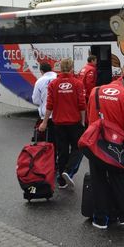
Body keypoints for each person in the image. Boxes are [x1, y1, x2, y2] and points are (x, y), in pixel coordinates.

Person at [86, 77, 124, 230]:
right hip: (116, 142)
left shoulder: (95, 91)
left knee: (98, 179)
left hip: (95, 141)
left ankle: (100, 218)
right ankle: (123, 216)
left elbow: (89, 115)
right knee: (118, 180)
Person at [39, 58, 85, 189]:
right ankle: (68, 171)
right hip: (74, 122)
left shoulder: (53, 84)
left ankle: (61, 181)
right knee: (78, 148)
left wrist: (44, 122)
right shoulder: (77, 83)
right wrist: (82, 121)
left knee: (62, 150)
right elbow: (82, 105)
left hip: (58, 123)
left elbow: (50, 105)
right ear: (71, 68)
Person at [32, 62, 57, 141]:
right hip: (61, 115)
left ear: (41, 71)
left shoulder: (39, 81)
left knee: (48, 141)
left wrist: (43, 103)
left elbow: (35, 100)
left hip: (47, 116)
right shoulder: (58, 78)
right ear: (51, 69)